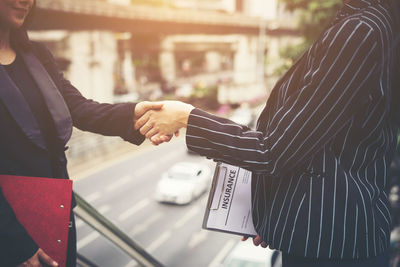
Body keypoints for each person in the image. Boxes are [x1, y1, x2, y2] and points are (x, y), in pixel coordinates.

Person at [135, 0, 400, 266]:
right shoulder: (373, 23)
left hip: (331, 250)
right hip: (332, 239)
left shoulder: (360, 30)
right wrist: (279, 215)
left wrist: (186, 118)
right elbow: (334, 148)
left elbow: (273, 150)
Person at [0, 0, 166, 266]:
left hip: (56, 210)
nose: (26, 1)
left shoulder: (37, 55)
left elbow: (77, 108)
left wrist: (134, 114)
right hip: (10, 229)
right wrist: (15, 243)